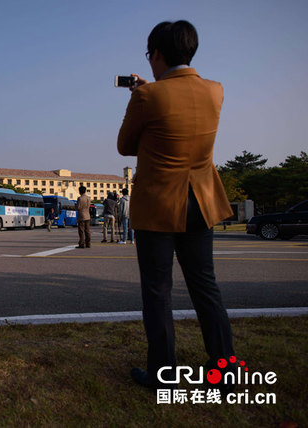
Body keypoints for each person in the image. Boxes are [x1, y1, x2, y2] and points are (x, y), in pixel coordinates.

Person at [117, 20, 235, 392]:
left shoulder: (147, 97)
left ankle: (162, 373)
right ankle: (226, 370)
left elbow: (125, 145)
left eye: (149, 54)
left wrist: (141, 94)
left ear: (157, 54)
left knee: (158, 291)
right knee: (205, 287)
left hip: (157, 206)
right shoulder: (215, 91)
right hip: (201, 200)